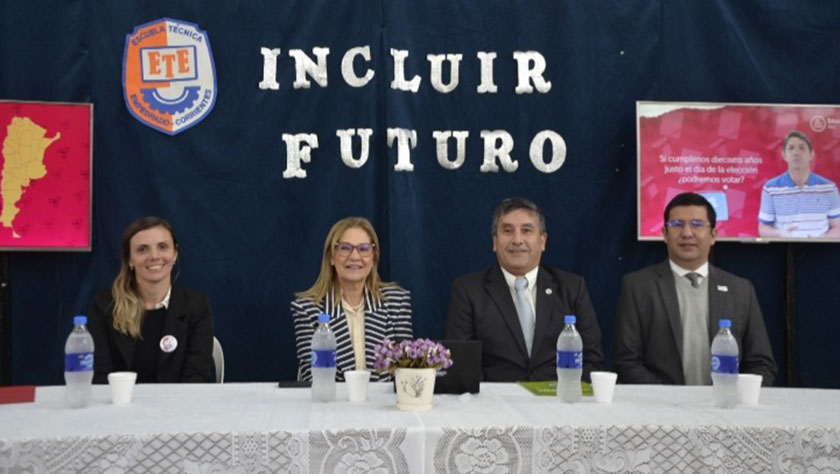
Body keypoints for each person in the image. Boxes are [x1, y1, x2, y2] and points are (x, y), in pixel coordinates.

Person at [614, 192, 777, 385]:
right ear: (665, 234)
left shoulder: (740, 290)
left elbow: (761, 363)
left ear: (713, 235)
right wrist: (671, 401)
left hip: (728, 407)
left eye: (697, 224)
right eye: (677, 225)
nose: (687, 233)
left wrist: (732, 396)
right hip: (661, 409)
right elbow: (626, 362)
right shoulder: (638, 287)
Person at [445, 197, 604, 382]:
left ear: (542, 241)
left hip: (559, 401)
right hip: (495, 403)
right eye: (507, 231)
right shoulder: (468, 291)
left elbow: (592, 360)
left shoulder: (572, 288)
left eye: (526, 230)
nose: (517, 240)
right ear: (495, 242)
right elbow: (462, 364)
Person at [87, 217, 214, 384]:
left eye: (163, 247)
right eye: (142, 249)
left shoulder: (197, 307)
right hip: (119, 406)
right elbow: (99, 376)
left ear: (175, 254)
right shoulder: (104, 305)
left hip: (178, 407)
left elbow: (196, 378)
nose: (154, 256)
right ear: (129, 259)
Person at [291, 217, 413, 382]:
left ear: (373, 259)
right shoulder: (307, 309)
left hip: (383, 405)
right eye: (345, 248)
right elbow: (312, 378)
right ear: (331, 257)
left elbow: (407, 371)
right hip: (332, 405)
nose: (355, 256)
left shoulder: (396, 302)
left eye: (364, 249)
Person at [758, 130, 840, 238]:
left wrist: (819, 242)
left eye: (802, 148)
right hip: (784, 250)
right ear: (784, 155)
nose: (796, 152)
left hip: (820, 252)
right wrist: (780, 234)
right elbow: (763, 228)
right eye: (791, 148)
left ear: (811, 154)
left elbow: (837, 227)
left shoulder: (829, 188)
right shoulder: (770, 188)